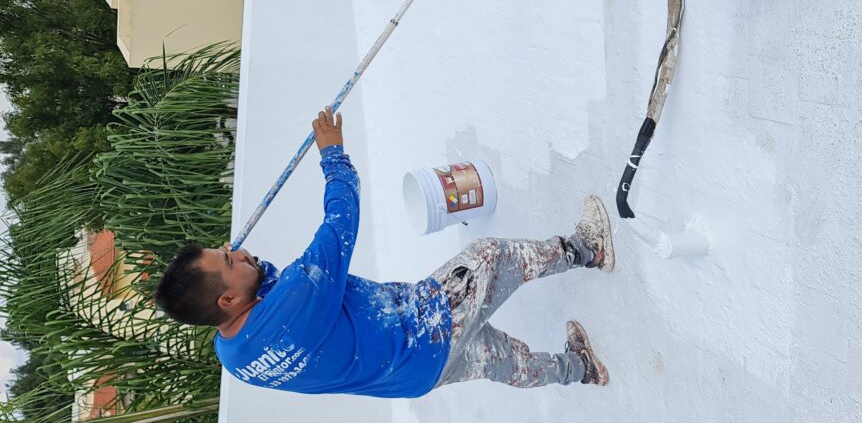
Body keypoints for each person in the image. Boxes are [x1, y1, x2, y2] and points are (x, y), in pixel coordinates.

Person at [155, 107, 615, 397]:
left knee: (499, 359)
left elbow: (281, 310)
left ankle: (581, 369)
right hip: (424, 328)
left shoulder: (233, 358)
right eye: (228, 261)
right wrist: (332, 155)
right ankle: (586, 249)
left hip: (415, 377)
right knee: (492, 255)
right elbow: (340, 224)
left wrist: (251, 270)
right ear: (227, 301)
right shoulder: (295, 300)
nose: (235, 252)